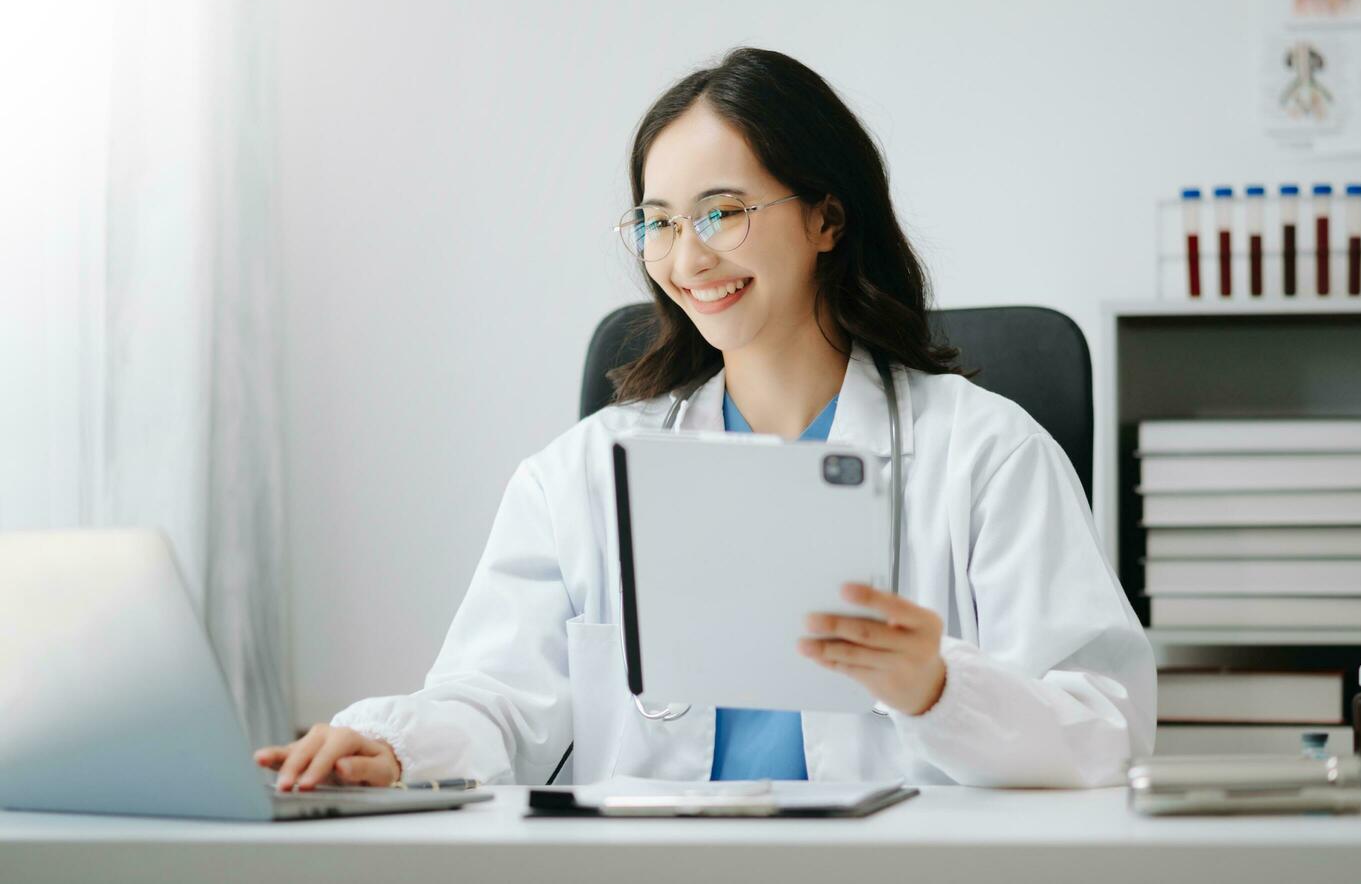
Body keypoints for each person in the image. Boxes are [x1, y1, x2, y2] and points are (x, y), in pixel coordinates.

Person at [256, 48, 1154, 791]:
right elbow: (493, 701)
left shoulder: (985, 457)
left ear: (827, 219)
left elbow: (1106, 732)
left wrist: (938, 686)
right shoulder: (580, 477)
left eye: (721, 213)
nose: (686, 258)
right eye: (657, 222)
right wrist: (395, 745)